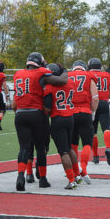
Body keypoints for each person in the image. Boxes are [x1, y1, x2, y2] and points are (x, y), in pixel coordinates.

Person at [12, 52, 68, 191]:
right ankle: (42, 179)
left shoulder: (18, 74)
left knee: (24, 147)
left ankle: (20, 176)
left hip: (20, 113)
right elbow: (62, 81)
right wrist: (65, 71)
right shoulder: (41, 72)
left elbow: (14, 103)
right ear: (40, 62)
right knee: (41, 148)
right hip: (36, 113)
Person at [43, 63, 79, 189]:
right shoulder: (70, 83)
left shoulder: (49, 87)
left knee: (63, 152)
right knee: (69, 148)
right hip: (70, 117)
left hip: (58, 119)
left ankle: (71, 180)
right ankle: (77, 174)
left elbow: (47, 109)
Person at [68, 60, 99, 184]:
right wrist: (93, 112)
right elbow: (95, 98)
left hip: (70, 113)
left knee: (73, 143)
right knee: (87, 143)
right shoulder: (89, 76)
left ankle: (76, 172)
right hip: (85, 111)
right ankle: (84, 168)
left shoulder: (67, 76)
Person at [89, 58, 110, 166]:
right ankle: (108, 148)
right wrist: (104, 96)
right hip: (104, 103)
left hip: (92, 104)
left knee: (93, 131)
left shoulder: (87, 74)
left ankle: (95, 156)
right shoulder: (107, 75)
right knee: (106, 128)